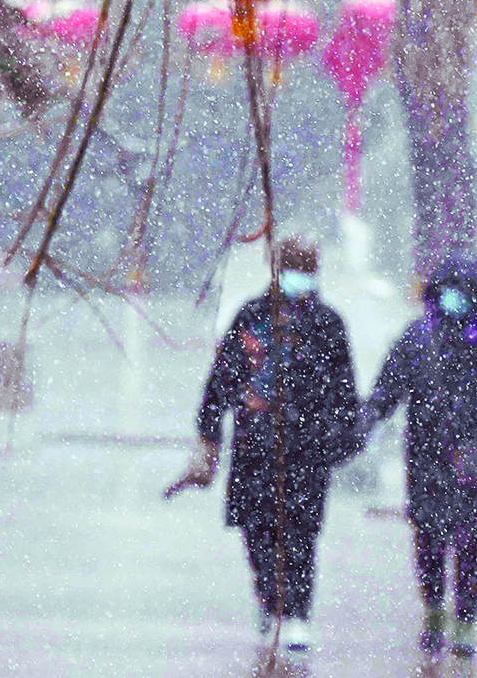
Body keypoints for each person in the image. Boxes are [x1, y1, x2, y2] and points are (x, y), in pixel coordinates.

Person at [165, 237, 360, 653]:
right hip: (255, 446)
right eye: (291, 268)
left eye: (305, 270)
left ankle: (297, 614)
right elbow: (222, 378)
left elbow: (343, 387)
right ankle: (269, 600)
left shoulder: (327, 324)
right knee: (257, 532)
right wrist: (209, 427)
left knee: (301, 535)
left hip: (308, 450)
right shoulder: (251, 316)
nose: (297, 278)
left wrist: (343, 435)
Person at [360, 251, 477, 659]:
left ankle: (466, 621)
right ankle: (434, 612)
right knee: (429, 541)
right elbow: (386, 390)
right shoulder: (417, 337)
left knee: (472, 543)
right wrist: (360, 423)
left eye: (466, 293)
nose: (456, 301)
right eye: (450, 291)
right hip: (427, 459)